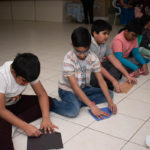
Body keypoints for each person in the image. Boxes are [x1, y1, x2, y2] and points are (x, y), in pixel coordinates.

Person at [51, 27, 117, 119]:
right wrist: (92, 105)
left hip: (83, 88)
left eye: (85, 51)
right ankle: (50, 102)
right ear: (72, 45)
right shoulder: (68, 59)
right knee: (72, 111)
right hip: (68, 90)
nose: (82, 55)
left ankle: (78, 102)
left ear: (90, 44)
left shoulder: (93, 57)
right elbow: (74, 86)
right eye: (78, 51)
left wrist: (110, 102)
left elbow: (101, 81)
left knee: (110, 94)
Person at [0, 53, 58, 150]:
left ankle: (12, 123)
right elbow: (1, 110)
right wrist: (25, 126)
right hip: (2, 109)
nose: (26, 84)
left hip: (15, 102)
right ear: (13, 72)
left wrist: (46, 118)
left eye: (29, 81)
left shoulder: (28, 70)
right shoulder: (2, 77)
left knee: (48, 101)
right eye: (23, 81)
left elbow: (41, 94)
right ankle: (10, 123)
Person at [90, 19, 136, 92]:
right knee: (97, 77)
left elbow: (114, 60)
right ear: (95, 33)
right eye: (104, 33)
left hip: (99, 67)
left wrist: (127, 76)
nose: (107, 36)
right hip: (89, 73)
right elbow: (99, 67)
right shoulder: (90, 45)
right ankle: (106, 84)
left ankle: (108, 83)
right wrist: (114, 80)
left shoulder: (104, 44)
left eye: (108, 34)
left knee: (116, 64)